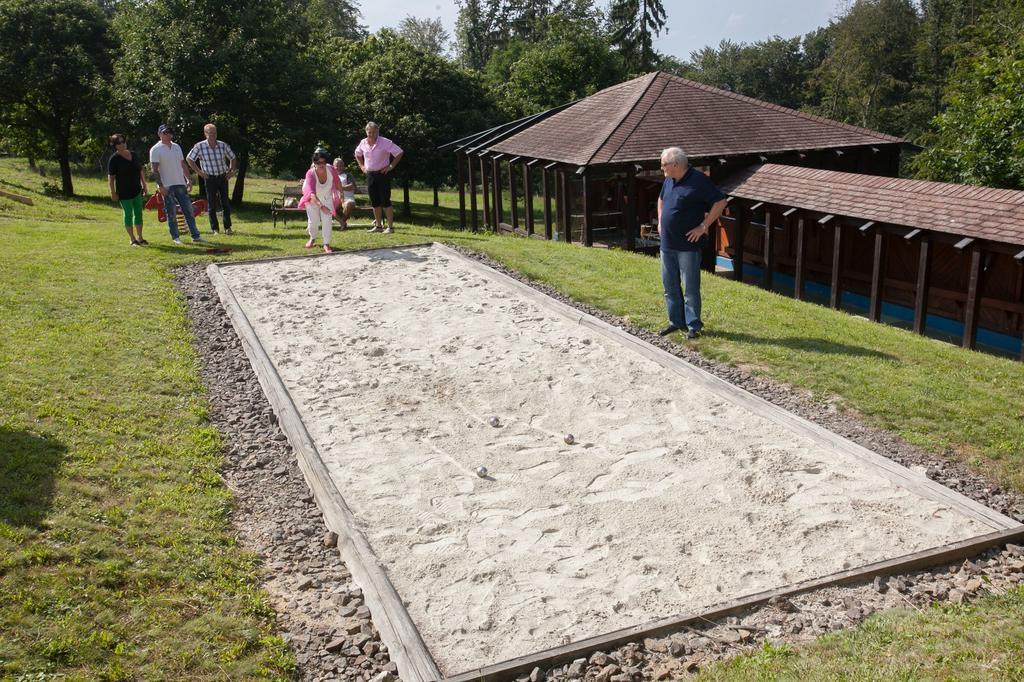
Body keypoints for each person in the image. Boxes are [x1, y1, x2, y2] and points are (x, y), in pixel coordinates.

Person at [657, 146, 728, 339]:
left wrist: (703, 227)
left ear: (676, 164)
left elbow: (720, 202)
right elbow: (661, 199)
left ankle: (693, 325)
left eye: (664, 164)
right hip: (667, 244)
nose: (661, 168)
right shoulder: (669, 180)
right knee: (669, 286)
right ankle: (675, 322)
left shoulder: (698, 181)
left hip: (688, 246)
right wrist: (661, 219)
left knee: (690, 288)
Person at [149, 124, 205, 245]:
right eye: (164, 133)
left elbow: (182, 164)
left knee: (189, 210)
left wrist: (188, 179)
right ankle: (176, 237)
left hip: (180, 183)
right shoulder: (155, 149)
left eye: (169, 132)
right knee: (171, 212)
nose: (167, 135)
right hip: (167, 185)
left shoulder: (176, 147)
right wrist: (160, 186)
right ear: (159, 134)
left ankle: (195, 236)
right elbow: (154, 169)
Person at [186, 123, 236, 235]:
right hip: (209, 178)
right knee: (212, 205)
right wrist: (199, 172)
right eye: (210, 133)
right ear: (205, 134)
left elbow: (232, 157)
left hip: (222, 177)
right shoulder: (199, 146)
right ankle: (215, 229)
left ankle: (227, 228)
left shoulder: (223, 145)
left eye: (215, 133)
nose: (213, 135)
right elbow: (189, 159)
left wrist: (231, 171)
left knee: (225, 203)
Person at [354, 121, 403, 234]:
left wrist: (391, 166)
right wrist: (362, 166)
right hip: (370, 174)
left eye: (374, 132)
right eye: (369, 132)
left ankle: (390, 227)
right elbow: (357, 154)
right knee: (375, 201)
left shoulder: (385, 142)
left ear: (378, 132)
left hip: (383, 174)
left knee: (385, 200)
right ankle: (378, 226)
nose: (372, 135)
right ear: (366, 132)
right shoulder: (363, 143)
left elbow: (399, 152)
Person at [107, 133, 149, 247]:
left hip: (136, 189)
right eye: (119, 143)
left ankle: (140, 237)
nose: (123, 144)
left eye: (123, 141)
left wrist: (144, 185)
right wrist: (113, 192)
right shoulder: (114, 159)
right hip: (124, 192)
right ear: (115, 145)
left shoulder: (133, 154)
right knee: (128, 214)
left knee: (139, 213)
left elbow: (140, 170)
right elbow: (111, 178)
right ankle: (132, 239)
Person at [298, 150, 342, 253]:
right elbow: (312, 194)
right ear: (314, 164)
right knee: (314, 222)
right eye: (318, 163)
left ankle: (326, 244)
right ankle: (312, 238)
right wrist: (321, 206)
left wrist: (342, 195)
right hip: (312, 199)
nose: (321, 165)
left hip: (326, 197)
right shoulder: (310, 174)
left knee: (327, 220)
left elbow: (337, 182)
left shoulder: (331, 169)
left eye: (323, 162)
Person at [333, 157, 356, 230]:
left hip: (347, 198)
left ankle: (342, 222)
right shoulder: (330, 175)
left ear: (343, 166)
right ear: (333, 166)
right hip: (335, 198)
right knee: (327, 206)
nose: (339, 167)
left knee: (349, 204)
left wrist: (340, 187)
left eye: (341, 165)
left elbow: (352, 186)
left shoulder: (348, 175)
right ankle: (343, 223)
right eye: (337, 165)